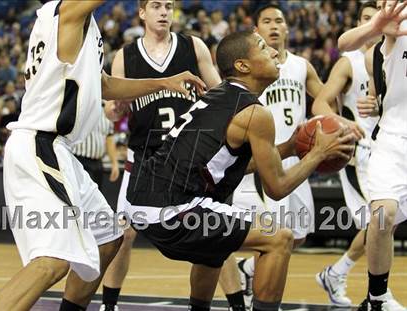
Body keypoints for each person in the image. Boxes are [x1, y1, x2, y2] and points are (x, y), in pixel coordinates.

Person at [0, 1, 206, 310]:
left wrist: (163, 81)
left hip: (60, 150)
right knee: (52, 263)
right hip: (40, 145)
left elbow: (103, 84)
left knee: (108, 239)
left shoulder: (84, 27)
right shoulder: (65, 13)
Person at [124, 30, 355, 311]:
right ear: (243, 65)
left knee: (214, 246)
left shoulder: (221, 96)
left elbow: (226, 165)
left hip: (143, 202)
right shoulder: (255, 113)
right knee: (280, 238)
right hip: (173, 209)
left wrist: (290, 148)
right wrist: (319, 153)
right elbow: (277, 187)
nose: (272, 51)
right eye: (262, 47)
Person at [100, 1, 245, 311]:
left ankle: (237, 305)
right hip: (144, 158)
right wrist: (116, 108)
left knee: (218, 233)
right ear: (142, 13)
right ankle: (108, 305)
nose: (164, 11)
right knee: (122, 235)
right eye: (156, 6)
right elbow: (112, 110)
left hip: (190, 160)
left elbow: (224, 94)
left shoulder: (194, 46)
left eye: (168, 6)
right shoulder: (125, 55)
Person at [231, 5, 363, 307]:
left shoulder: (302, 66)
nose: (274, 26)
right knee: (277, 238)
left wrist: (341, 121)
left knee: (299, 235)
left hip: (298, 157)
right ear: (256, 31)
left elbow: (324, 101)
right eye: (267, 21)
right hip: (267, 157)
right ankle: (259, 297)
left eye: (279, 20)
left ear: (288, 29)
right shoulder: (254, 67)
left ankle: (245, 269)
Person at [338, 0, 407, 309]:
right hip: (393, 141)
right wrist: (377, 26)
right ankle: (377, 296)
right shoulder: (389, 35)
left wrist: (378, 103)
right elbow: (344, 43)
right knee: (383, 214)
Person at [73, 106, 120, 190]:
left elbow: (109, 137)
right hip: (79, 160)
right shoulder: (82, 103)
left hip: (98, 163)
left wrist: (114, 163)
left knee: (96, 196)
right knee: (80, 197)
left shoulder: (107, 108)